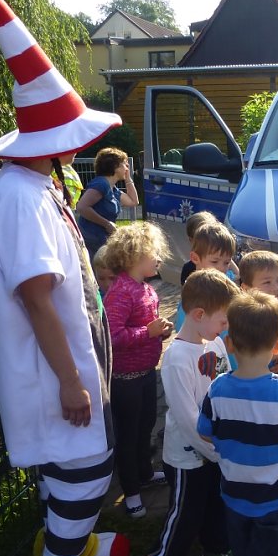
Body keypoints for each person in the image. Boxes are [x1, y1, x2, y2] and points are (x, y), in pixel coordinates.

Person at [0, 0, 128, 556]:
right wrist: (70, 380)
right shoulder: (20, 197)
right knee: (85, 473)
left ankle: (67, 550)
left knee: (73, 474)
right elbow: (36, 296)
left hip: (66, 366)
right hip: (54, 373)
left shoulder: (37, 187)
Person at [198, 290, 278, 556]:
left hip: (235, 497)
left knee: (243, 554)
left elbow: (205, 433)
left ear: (229, 344)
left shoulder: (217, 389)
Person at [147, 269, 241, 556]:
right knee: (185, 513)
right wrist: (217, 452)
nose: (226, 327)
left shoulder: (215, 343)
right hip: (188, 457)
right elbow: (187, 420)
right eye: (223, 321)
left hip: (216, 449)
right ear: (199, 314)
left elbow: (225, 386)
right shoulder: (176, 359)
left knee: (216, 502)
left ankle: (215, 548)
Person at [102, 222, 174, 519]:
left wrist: (161, 332)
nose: (159, 258)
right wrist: (149, 332)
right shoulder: (120, 292)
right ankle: (130, 490)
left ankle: (144, 474)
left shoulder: (145, 288)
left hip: (144, 373)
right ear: (133, 255)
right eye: (153, 253)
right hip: (125, 380)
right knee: (129, 436)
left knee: (145, 427)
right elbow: (113, 337)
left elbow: (147, 328)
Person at [173, 221, 238, 331]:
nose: (221, 268)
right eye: (214, 261)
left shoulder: (226, 277)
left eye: (226, 262)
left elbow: (237, 274)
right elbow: (183, 325)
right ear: (195, 258)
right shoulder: (194, 289)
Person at [76, 147, 139, 259]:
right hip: (91, 242)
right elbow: (82, 207)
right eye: (124, 164)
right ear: (115, 167)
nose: (127, 168)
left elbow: (133, 201)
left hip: (100, 241)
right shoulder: (101, 184)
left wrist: (128, 179)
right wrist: (107, 224)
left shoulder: (112, 188)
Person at [180, 211, 218, 285]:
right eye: (203, 239)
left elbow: (237, 275)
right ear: (191, 240)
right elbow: (185, 290)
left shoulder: (222, 262)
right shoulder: (189, 268)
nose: (209, 243)